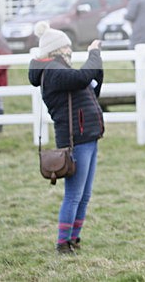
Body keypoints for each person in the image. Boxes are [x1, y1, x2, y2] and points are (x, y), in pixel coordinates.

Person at [27, 22, 105, 254]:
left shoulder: (59, 70)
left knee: (84, 194)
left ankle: (74, 238)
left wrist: (96, 67)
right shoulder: (53, 71)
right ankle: (63, 242)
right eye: (67, 48)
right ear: (56, 50)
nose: (70, 52)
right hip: (76, 140)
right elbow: (83, 77)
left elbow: (89, 85)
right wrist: (93, 53)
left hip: (87, 137)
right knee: (74, 195)